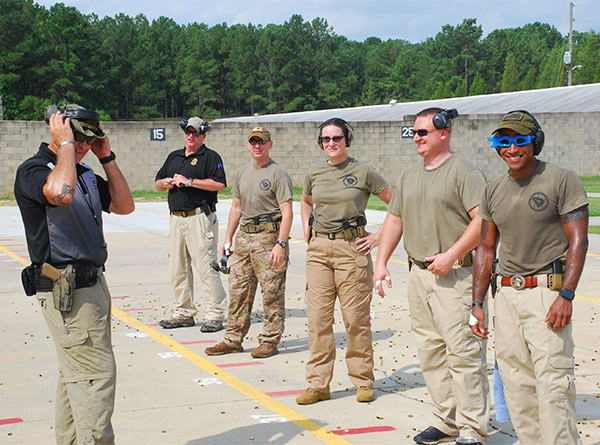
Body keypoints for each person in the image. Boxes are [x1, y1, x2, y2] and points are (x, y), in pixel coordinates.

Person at [14, 103, 135, 444]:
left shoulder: (82, 173)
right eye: (78, 136)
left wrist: (106, 158)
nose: (83, 144)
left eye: (89, 138)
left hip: (92, 286)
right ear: (59, 130)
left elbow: (125, 206)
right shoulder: (35, 170)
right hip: (67, 292)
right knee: (95, 379)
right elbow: (59, 194)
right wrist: (65, 145)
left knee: (77, 380)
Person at [471, 110, 588, 445]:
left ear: (535, 142)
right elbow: (485, 248)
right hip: (506, 294)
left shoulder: (561, 179)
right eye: (503, 141)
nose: (512, 148)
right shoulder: (492, 190)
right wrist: (477, 303)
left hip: (546, 294)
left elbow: (579, 239)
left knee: (552, 386)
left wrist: (566, 295)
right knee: (516, 387)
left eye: (520, 140)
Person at [374, 108, 489, 445]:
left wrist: (451, 255)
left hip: (457, 277)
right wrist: (381, 263)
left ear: (444, 133)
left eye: (423, 132)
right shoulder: (410, 175)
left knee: (464, 354)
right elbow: (395, 220)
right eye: (414, 133)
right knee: (431, 352)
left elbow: (481, 220)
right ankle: (446, 421)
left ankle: (472, 429)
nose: (417, 138)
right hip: (420, 277)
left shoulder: (465, 172)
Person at [296, 117, 393, 405]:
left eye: (336, 138)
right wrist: (306, 229)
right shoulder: (314, 173)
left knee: (355, 320)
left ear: (347, 139)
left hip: (352, 250)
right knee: (318, 321)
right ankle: (318, 384)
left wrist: (377, 237)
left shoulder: (363, 172)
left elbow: (396, 203)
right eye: (326, 139)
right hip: (319, 251)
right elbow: (305, 201)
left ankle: (363, 380)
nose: (331, 144)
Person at [205, 127, 293, 359]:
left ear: (270, 145)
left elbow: (287, 212)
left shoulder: (277, 173)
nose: (257, 146)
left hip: (268, 236)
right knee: (238, 290)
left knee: (271, 291)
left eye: (262, 142)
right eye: (253, 141)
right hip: (244, 237)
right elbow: (236, 207)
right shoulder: (243, 171)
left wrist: (281, 244)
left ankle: (269, 340)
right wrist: (228, 238)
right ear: (248, 144)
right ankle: (233, 339)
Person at [155, 117, 227, 332]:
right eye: (187, 132)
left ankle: (215, 313)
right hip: (176, 219)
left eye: (195, 133)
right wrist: (166, 183)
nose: (190, 136)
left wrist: (189, 182)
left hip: (199, 218)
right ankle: (184, 312)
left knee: (206, 266)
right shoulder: (174, 157)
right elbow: (157, 184)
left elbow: (220, 184)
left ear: (203, 135)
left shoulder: (210, 157)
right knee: (178, 269)